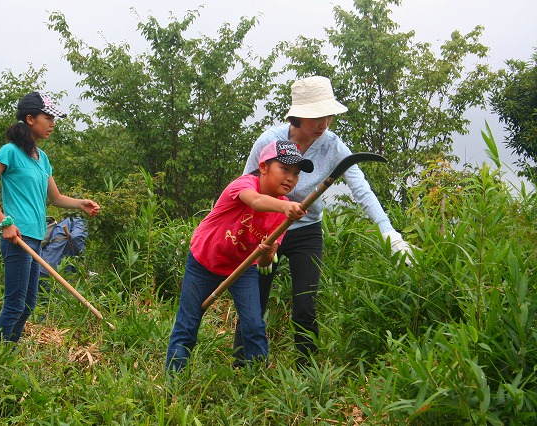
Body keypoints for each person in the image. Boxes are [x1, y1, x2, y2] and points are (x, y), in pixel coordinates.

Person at [234, 76, 415, 368]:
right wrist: (243, 238)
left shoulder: (333, 147)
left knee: (306, 305)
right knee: (255, 304)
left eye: (328, 115)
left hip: (306, 232)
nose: (324, 122)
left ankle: (307, 374)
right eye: (317, 115)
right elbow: (246, 189)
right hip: (266, 231)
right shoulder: (268, 142)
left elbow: (361, 188)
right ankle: (243, 367)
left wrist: (388, 231)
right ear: (298, 114)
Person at [166, 140, 313, 374]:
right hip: (203, 261)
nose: (290, 178)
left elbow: (264, 262)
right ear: (263, 167)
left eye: (296, 173)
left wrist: (268, 253)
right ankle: (173, 382)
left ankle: (257, 380)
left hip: (241, 269)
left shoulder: (284, 214)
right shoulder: (244, 184)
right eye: (284, 169)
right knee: (187, 325)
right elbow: (256, 201)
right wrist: (285, 208)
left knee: (254, 325)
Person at [0, 91, 100, 346]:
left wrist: (80, 204)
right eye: (48, 117)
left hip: (36, 239)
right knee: (15, 304)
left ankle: (6, 355)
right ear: (30, 119)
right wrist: (5, 224)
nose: (52, 123)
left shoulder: (43, 159)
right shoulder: (9, 152)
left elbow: (55, 198)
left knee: (28, 304)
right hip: (17, 238)